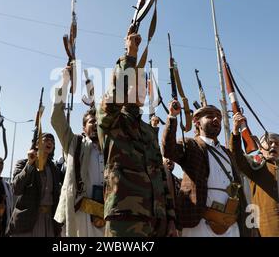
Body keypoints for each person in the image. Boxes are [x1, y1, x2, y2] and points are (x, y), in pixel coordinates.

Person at [97, 33, 176, 237]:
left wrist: (170, 220)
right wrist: (130, 55)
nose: (142, 89)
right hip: (124, 218)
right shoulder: (112, 120)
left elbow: (160, 175)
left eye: (144, 85)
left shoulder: (149, 131)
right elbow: (117, 94)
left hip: (157, 221)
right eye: (136, 83)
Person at [162, 103, 252, 237]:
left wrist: (236, 131)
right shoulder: (191, 144)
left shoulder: (226, 152)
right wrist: (172, 117)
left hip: (230, 223)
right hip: (199, 224)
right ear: (197, 122)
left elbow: (238, 156)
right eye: (210, 116)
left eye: (218, 117)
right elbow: (168, 150)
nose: (216, 119)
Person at [52, 67, 105, 237]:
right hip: (80, 212)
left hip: (107, 213)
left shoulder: (110, 147)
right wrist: (65, 82)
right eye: (91, 122)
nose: (95, 124)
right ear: (84, 127)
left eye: (98, 121)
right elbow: (56, 117)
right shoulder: (75, 143)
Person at [9, 133, 62, 237]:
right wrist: (29, 164)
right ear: (37, 144)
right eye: (46, 139)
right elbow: (16, 188)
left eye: (53, 141)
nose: (50, 142)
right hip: (28, 220)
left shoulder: (54, 169)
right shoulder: (23, 164)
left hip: (49, 221)